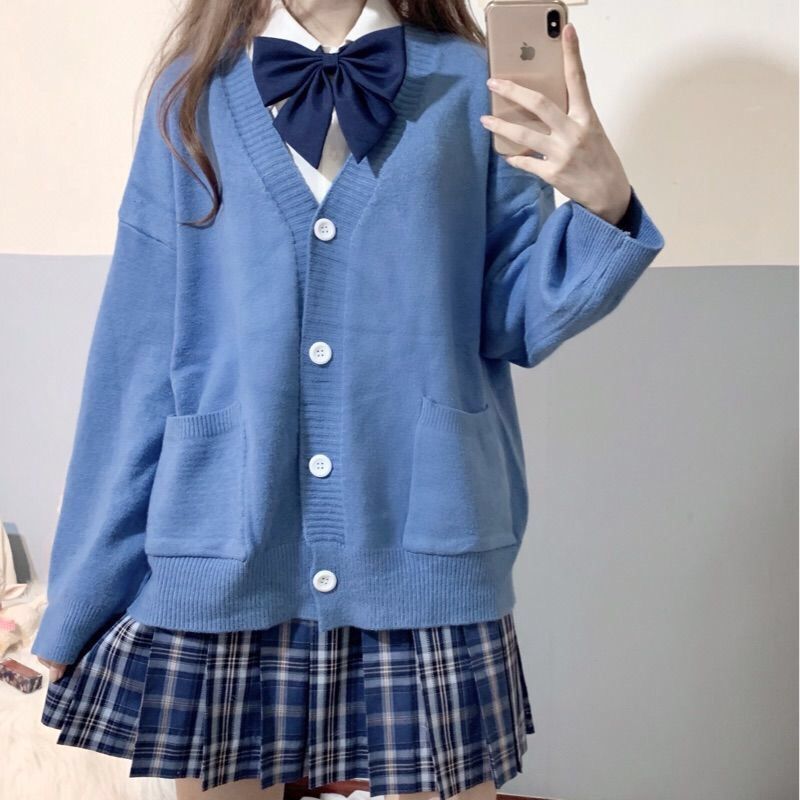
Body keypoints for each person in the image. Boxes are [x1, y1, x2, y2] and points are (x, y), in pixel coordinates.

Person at [30, 1, 665, 798]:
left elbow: (515, 318)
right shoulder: (191, 95)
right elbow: (136, 364)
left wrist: (604, 206)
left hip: (424, 552)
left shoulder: (472, 81)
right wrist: (80, 596)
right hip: (224, 546)